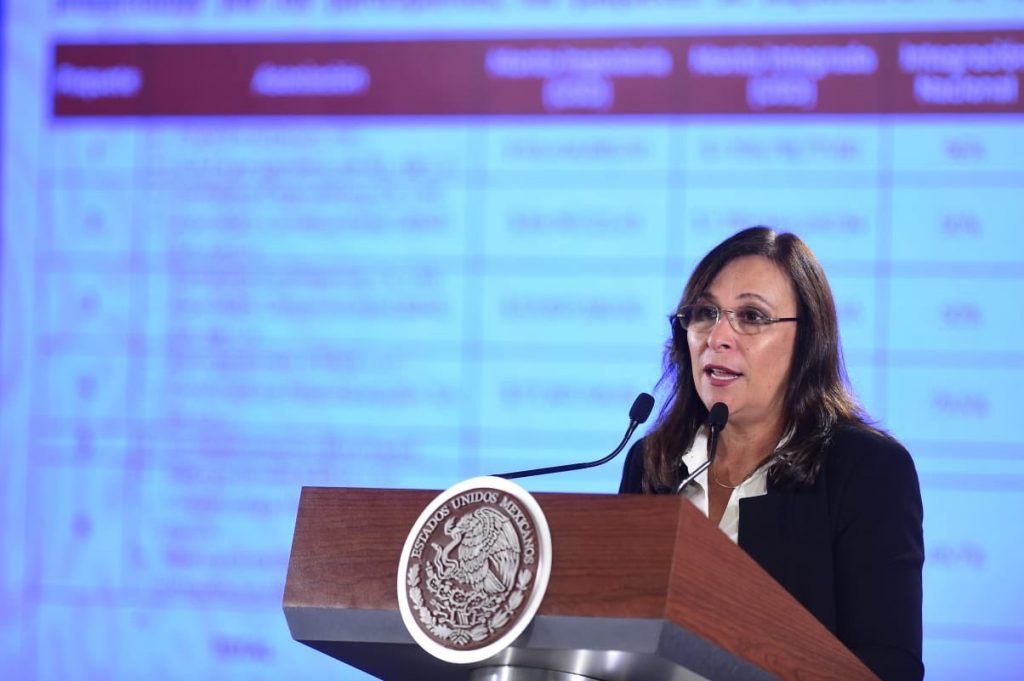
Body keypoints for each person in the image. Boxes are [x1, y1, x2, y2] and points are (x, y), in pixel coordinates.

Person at [619, 226, 924, 680]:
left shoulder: (867, 470)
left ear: (807, 341)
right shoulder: (653, 462)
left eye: (751, 316)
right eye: (705, 313)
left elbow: (889, 666)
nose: (718, 337)